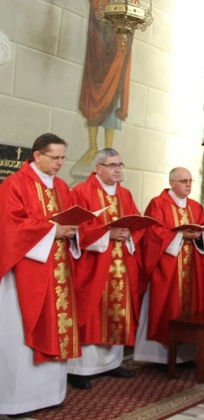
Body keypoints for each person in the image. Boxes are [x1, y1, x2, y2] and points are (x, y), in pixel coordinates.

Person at [0, 134, 81, 415]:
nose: (60, 163)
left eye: (62, 158)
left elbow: (68, 218)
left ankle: (51, 393)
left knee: (57, 326)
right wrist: (52, 231)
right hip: (26, 272)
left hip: (58, 269)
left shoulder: (61, 186)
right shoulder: (14, 184)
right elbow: (11, 226)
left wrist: (73, 230)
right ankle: (17, 400)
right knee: (21, 332)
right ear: (37, 156)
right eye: (54, 157)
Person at [67, 148, 142, 389]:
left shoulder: (126, 194)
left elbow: (136, 222)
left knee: (117, 311)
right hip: (94, 265)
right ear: (98, 168)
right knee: (91, 313)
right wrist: (107, 233)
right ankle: (80, 369)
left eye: (120, 164)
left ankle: (111, 364)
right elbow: (75, 229)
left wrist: (129, 233)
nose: (118, 169)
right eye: (112, 165)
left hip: (121, 264)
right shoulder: (81, 192)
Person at [134, 167, 204, 364]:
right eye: (183, 181)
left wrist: (200, 234)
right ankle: (159, 358)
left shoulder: (195, 207)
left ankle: (186, 355)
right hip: (166, 269)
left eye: (190, 181)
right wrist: (179, 235)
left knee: (190, 309)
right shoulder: (158, 204)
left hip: (191, 267)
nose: (188, 184)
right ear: (172, 183)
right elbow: (153, 233)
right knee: (165, 307)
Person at [79, 0, 135, 165]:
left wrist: (130, 0)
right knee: (97, 88)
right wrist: (115, 2)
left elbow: (134, 1)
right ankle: (92, 146)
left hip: (119, 40)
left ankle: (109, 150)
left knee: (115, 93)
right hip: (101, 37)